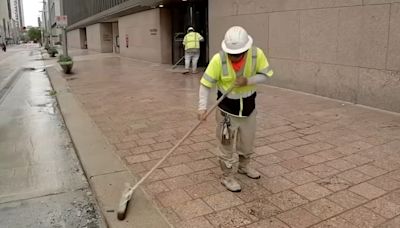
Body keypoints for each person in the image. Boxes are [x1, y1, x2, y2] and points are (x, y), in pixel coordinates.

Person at [198, 26, 274, 192]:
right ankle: (227, 176)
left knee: (247, 142)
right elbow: (205, 84)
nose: (234, 57)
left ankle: (244, 167)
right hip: (226, 111)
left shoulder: (256, 54)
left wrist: (248, 80)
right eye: (231, 54)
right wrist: (202, 108)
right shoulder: (219, 60)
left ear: (246, 48)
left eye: (238, 54)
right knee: (226, 145)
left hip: (248, 109)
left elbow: (266, 75)